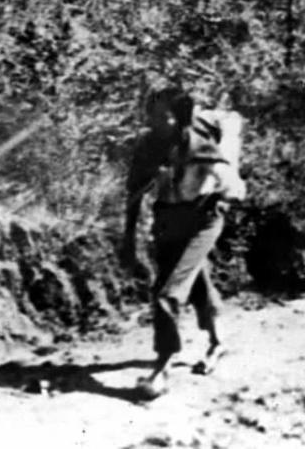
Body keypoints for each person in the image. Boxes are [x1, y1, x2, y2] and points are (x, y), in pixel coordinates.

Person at [122, 87, 247, 399]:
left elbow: (232, 184)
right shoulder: (147, 146)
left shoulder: (196, 143)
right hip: (168, 220)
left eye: (162, 115)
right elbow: (134, 193)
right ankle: (218, 342)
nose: (154, 120)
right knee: (196, 280)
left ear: (178, 118)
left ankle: (162, 367)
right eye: (151, 114)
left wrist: (222, 191)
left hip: (203, 219)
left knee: (167, 293)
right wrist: (128, 239)